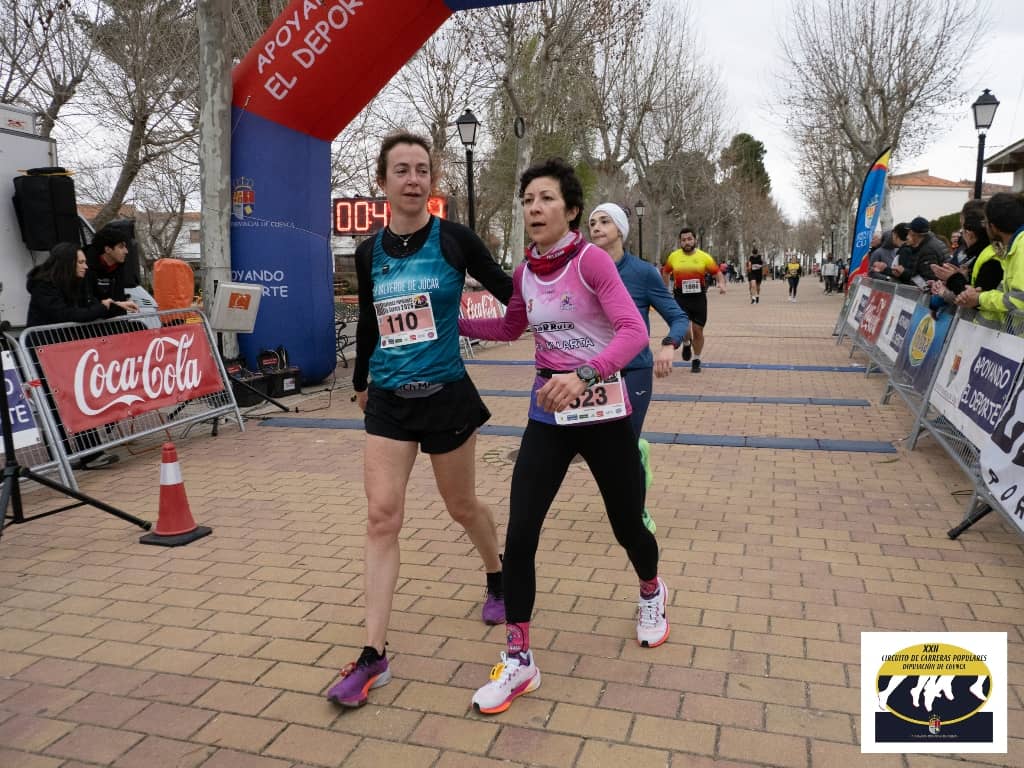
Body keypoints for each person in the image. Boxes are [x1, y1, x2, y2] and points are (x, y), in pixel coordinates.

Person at [459, 159, 664, 715]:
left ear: (571, 211)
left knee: (627, 524)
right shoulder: (525, 271)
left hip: (602, 410)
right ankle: (519, 660)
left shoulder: (591, 260)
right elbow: (510, 327)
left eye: (546, 198)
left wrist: (585, 374)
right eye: (528, 199)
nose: (534, 208)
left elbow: (634, 332)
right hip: (548, 414)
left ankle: (651, 590)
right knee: (521, 532)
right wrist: (449, 323)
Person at [326, 132, 513, 708]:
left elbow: (513, 294)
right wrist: (360, 382)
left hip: (446, 396)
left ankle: (497, 573)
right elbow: (370, 322)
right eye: (402, 170)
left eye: (422, 170)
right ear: (382, 181)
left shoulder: (455, 240)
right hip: (388, 400)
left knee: (462, 506)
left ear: (432, 180)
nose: (413, 179)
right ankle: (373, 653)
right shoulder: (368, 252)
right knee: (382, 517)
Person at [588, 202, 689, 535]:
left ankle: (636, 508)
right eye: (592, 222)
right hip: (595, 373)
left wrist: (668, 345)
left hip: (634, 370)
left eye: (605, 221)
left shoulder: (643, 273)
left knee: (623, 447)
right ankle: (637, 454)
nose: (596, 227)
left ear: (620, 229)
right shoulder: (582, 269)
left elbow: (678, 317)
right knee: (604, 450)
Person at [26, 242, 134, 469]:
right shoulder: (43, 286)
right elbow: (67, 315)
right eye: (81, 262)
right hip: (43, 353)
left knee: (79, 398)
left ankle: (90, 453)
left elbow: (90, 308)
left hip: (68, 352)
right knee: (54, 404)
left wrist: (115, 306)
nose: (86, 266)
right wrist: (102, 307)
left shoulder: (76, 283)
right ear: (68, 264)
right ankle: (62, 455)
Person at [662, 227, 725, 373]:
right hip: (680, 297)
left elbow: (717, 273)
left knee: (698, 331)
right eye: (683, 240)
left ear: (695, 240)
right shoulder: (674, 256)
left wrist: (722, 284)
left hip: (698, 299)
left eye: (689, 239)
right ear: (680, 242)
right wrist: (665, 290)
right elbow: (665, 272)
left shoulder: (704, 257)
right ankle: (686, 343)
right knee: (684, 327)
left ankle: (696, 359)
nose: (687, 242)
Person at [955, 192, 1024, 316]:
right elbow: (1006, 291)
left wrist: (979, 298)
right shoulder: (1015, 247)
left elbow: (1018, 300)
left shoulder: (1021, 247)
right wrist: (978, 295)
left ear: (993, 227)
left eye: (985, 223)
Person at [84, 225, 139, 314]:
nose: (126, 251)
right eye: (121, 247)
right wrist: (117, 305)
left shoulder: (119, 267)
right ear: (108, 249)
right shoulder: (85, 268)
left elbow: (119, 299)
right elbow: (88, 304)